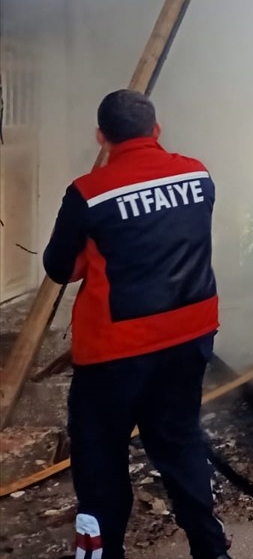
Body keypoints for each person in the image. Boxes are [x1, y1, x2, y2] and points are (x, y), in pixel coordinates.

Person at [43, 90, 232, 559]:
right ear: (157, 129)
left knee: (100, 456)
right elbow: (170, 235)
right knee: (180, 441)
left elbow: (59, 267)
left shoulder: (89, 193)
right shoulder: (198, 174)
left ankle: (102, 552)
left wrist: (93, 251)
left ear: (101, 137)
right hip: (189, 337)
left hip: (114, 354)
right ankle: (212, 551)